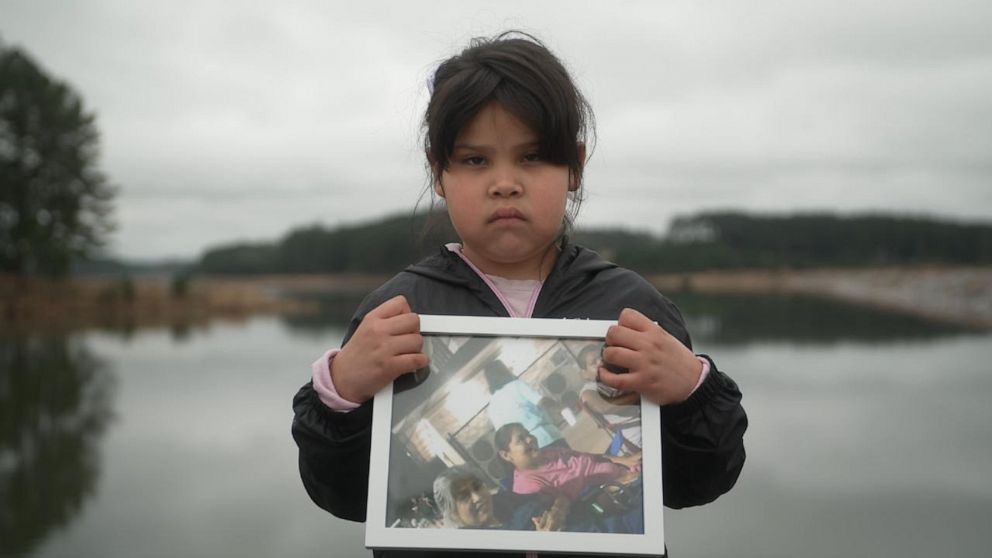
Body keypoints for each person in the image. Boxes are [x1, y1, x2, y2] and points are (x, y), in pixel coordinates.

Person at [291, 30, 747, 558]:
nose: (504, 183)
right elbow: (342, 495)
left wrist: (692, 393)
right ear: (437, 170)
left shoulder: (633, 309)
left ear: (574, 166)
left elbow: (700, 483)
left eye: (532, 157)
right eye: (475, 160)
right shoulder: (395, 315)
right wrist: (341, 394)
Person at [494, 423, 640, 501]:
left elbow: (594, 457)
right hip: (620, 494)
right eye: (521, 439)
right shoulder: (529, 487)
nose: (530, 439)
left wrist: (627, 461)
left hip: (628, 474)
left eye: (528, 434)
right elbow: (573, 509)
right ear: (506, 455)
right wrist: (621, 483)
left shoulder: (550, 451)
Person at [433, 465, 580, 532]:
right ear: (452, 512)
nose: (477, 497)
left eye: (477, 486)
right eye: (464, 496)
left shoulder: (505, 499)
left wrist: (558, 512)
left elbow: (555, 498)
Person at [484, 359, 563, 448]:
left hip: (525, 449)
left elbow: (502, 434)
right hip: (545, 436)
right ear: (504, 371)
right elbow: (541, 401)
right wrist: (561, 408)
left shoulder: (492, 406)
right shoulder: (517, 385)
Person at [577, 344, 643, 449]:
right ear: (585, 373)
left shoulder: (617, 373)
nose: (600, 362)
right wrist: (642, 392)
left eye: (601, 357)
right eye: (593, 362)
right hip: (638, 437)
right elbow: (604, 407)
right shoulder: (589, 391)